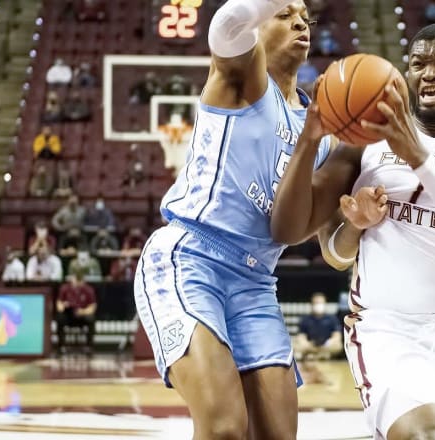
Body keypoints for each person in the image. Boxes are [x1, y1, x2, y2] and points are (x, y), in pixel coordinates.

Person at [272, 23, 435, 439]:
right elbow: (306, 236)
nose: (428, 72)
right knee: (430, 436)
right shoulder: (363, 143)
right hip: (391, 332)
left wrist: (417, 156)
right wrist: (310, 142)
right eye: (417, 64)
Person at [133, 1, 330, 439]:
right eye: (284, 13)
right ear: (257, 28)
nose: (300, 21)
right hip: (191, 257)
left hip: (257, 281)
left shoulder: (321, 127)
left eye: (305, 16)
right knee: (224, 428)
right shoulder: (244, 79)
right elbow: (225, 24)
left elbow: (318, 226)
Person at [55, 272, 97, 354]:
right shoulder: (64, 288)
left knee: (91, 319)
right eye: (75, 280)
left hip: (82, 315)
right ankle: (61, 346)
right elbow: (59, 304)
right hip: (69, 314)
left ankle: (89, 347)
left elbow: (93, 306)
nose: (77, 283)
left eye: (79, 280)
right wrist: (63, 306)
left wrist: (83, 312)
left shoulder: (88, 289)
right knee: (60, 318)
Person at [294, 291, 342, 360]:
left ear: (325, 303)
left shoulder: (332, 319)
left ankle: (314, 355)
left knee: (338, 346)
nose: (318, 305)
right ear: (312, 304)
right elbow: (301, 337)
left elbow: (337, 336)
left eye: (321, 303)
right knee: (296, 346)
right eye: (316, 303)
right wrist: (306, 344)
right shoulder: (305, 319)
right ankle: (319, 355)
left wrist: (327, 344)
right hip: (310, 345)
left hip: (326, 346)